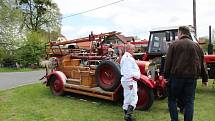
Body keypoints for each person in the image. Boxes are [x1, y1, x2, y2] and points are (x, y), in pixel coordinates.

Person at [164, 26, 208, 121]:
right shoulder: (197, 46)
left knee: (172, 100)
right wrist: (205, 78)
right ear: (188, 33)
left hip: (176, 77)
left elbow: (168, 62)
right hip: (192, 78)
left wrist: (165, 76)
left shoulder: (174, 45)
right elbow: (202, 63)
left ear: (180, 33)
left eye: (178, 33)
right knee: (189, 102)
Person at [120, 43, 141, 121]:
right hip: (130, 81)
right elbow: (128, 71)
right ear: (128, 49)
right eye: (133, 49)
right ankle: (128, 115)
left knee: (127, 98)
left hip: (128, 80)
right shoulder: (127, 58)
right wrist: (131, 82)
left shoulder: (126, 57)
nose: (134, 51)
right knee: (133, 98)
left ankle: (127, 115)